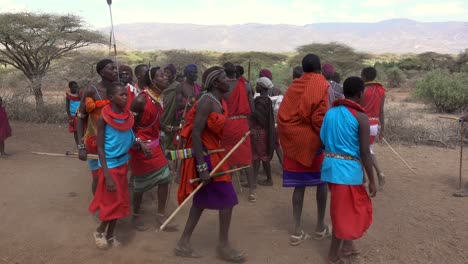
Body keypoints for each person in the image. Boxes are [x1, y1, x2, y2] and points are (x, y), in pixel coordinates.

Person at [176, 66, 245, 262]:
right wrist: (202, 167)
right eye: (225, 78)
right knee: (229, 199)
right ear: (215, 83)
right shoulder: (206, 101)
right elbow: (196, 134)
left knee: (200, 202)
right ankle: (223, 246)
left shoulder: (220, 100)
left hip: (215, 153)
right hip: (206, 156)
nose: (229, 81)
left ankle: (183, 243)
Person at [320, 76, 377, 264]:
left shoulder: (330, 113)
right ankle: (332, 256)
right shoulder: (361, 117)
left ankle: (347, 245)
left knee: (345, 209)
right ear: (360, 94)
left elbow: (323, 141)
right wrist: (373, 179)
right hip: (347, 172)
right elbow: (365, 153)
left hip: (331, 169)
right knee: (345, 212)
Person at [277, 54, 331, 246]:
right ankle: (319, 227)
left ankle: (297, 230)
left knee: (298, 187)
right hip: (313, 143)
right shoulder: (321, 84)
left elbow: (283, 114)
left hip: (293, 143)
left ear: (303, 68)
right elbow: (319, 117)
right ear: (319, 68)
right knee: (322, 184)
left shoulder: (294, 86)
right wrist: (325, 139)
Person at [89, 82, 144, 249]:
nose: (126, 97)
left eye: (126, 94)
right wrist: (106, 175)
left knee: (119, 202)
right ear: (111, 97)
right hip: (110, 166)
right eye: (122, 94)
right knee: (111, 203)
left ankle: (111, 235)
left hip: (123, 163)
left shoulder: (127, 116)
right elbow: (99, 148)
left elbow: (131, 137)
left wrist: (141, 145)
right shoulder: (103, 119)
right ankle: (99, 231)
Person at [129, 67, 178, 231]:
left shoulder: (158, 97)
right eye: (161, 75)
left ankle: (161, 215)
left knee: (165, 178)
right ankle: (135, 216)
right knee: (140, 184)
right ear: (153, 81)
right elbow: (128, 125)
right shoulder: (141, 100)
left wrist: (167, 128)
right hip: (139, 148)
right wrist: (138, 142)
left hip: (154, 145)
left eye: (165, 74)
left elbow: (154, 121)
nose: (166, 77)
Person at [77, 59, 116, 195]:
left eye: (115, 68)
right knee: (98, 177)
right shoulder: (92, 90)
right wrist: (81, 146)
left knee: (114, 177)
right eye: (112, 68)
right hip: (95, 142)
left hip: (114, 142)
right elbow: (80, 118)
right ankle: (98, 204)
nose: (115, 71)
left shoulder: (119, 89)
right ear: (101, 72)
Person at [221, 62, 256, 202]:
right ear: (236, 72)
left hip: (226, 125)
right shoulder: (246, 85)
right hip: (242, 124)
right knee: (247, 158)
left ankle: (226, 189)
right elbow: (252, 109)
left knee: (226, 157)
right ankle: (252, 191)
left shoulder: (222, 87)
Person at [360, 67, 386, 189]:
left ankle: (365, 179)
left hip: (363, 123)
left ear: (364, 76)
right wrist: (383, 129)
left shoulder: (362, 90)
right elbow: (381, 111)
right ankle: (378, 173)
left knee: (362, 151)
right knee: (369, 149)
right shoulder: (381, 90)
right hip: (375, 125)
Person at [251, 77, 275, 186]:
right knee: (257, 156)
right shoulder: (266, 99)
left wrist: (251, 111)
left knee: (260, 156)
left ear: (261, 87)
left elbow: (259, 117)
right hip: (262, 131)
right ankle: (254, 180)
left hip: (259, 131)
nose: (256, 87)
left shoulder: (261, 101)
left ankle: (268, 179)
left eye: (257, 85)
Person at [162, 64, 179, 151]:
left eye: (168, 72)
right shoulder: (162, 85)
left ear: (173, 75)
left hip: (172, 114)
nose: (166, 74)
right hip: (162, 113)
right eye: (164, 72)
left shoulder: (177, 86)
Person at [66, 81, 81, 145]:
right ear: (70, 88)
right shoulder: (68, 96)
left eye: (76, 87)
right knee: (76, 131)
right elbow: (67, 107)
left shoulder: (80, 95)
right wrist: (69, 118)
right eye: (74, 87)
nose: (75, 88)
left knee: (82, 130)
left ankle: (82, 144)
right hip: (73, 116)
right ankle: (78, 145)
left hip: (80, 115)